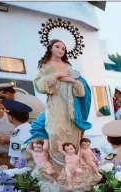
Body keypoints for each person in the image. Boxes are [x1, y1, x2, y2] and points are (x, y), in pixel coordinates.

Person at [32, 39, 91, 167]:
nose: (60, 50)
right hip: (55, 104)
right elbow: (39, 86)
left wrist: (75, 82)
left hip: (71, 105)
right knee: (54, 132)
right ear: (51, 48)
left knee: (73, 133)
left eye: (63, 48)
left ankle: (73, 164)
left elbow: (80, 91)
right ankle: (58, 166)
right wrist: (56, 75)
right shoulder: (45, 66)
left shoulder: (69, 67)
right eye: (57, 47)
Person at [2, 98, 32, 168]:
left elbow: (16, 159)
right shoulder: (32, 128)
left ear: (11, 117)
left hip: (26, 169)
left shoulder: (16, 134)